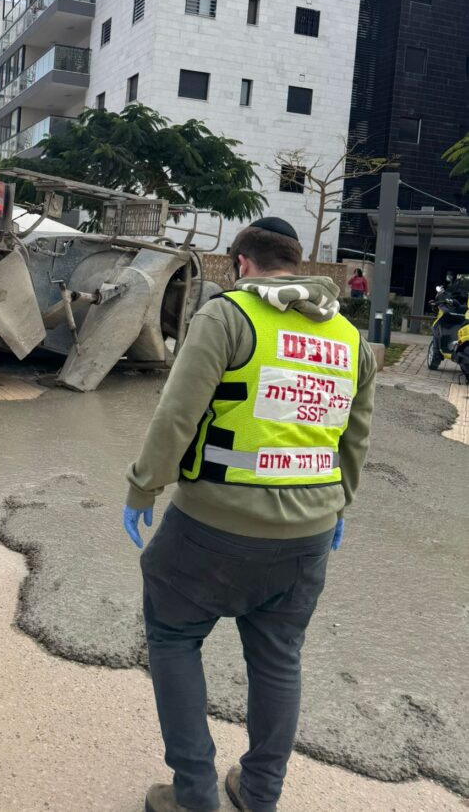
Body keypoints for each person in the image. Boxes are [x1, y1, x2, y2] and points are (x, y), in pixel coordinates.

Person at [123, 217, 376, 812]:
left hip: (213, 524)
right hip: (308, 535)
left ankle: (194, 797)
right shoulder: (349, 339)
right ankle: (258, 795)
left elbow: (177, 415)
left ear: (241, 264)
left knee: (173, 635)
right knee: (279, 658)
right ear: (299, 262)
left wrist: (143, 488)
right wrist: (340, 504)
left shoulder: (227, 317)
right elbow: (355, 439)